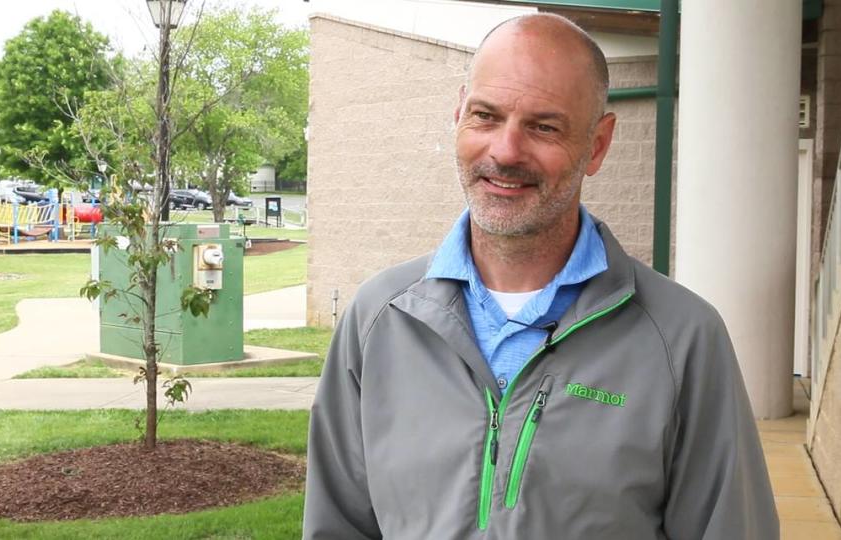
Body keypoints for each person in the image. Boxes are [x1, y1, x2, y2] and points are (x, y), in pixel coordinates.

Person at [303, 13, 778, 540]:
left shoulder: (682, 338)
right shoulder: (379, 321)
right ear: (458, 114)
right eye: (485, 116)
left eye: (544, 126)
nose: (505, 152)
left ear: (597, 144)